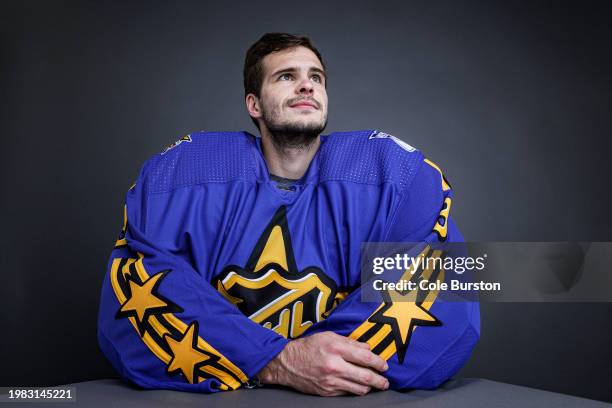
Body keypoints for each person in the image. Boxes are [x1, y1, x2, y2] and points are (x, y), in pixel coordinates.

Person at [97, 32, 480, 396]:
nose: (307, 85)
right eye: (286, 76)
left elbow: (449, 285)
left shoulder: (391, 175)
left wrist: (289, 359)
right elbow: (136, 287)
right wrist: (280, 361)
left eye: (316, 77)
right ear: (254, 104)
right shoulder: (185, 175)